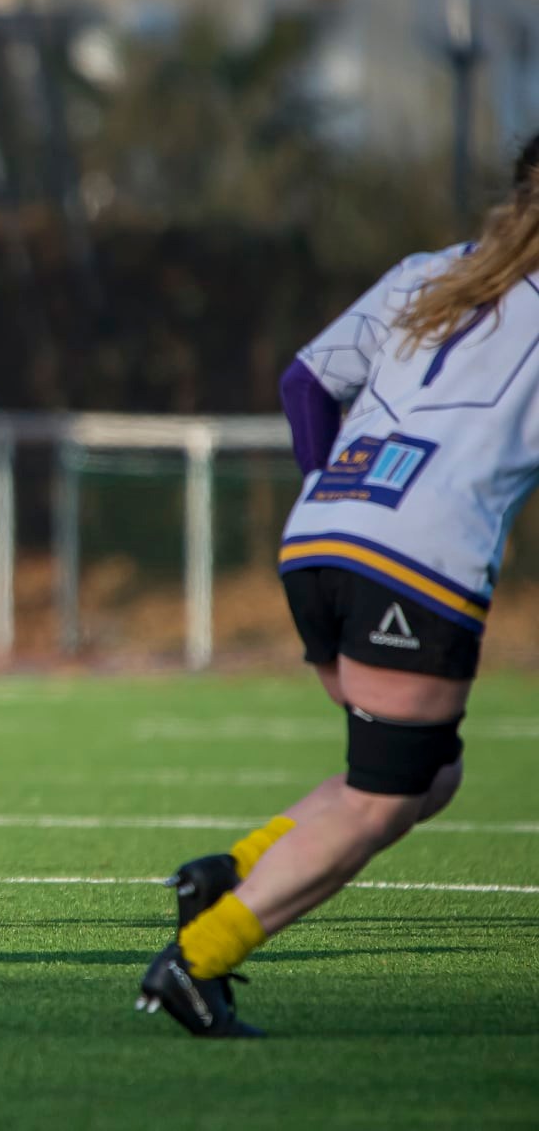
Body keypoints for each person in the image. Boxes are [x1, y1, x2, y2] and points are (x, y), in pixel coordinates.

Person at [136, 135, 539, 1036]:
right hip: (419, 557)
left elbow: (305, 382)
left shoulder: (430, 271)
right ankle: (198, 961)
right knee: (384, 795)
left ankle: (230, 876)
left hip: (321, 535)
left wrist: (330, 492)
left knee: (424, 774)